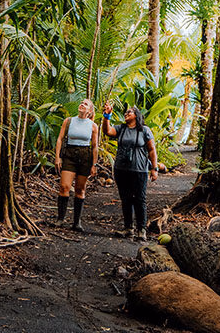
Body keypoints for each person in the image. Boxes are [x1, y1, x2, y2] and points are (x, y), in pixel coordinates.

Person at [102, 101, 158, 241]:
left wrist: (154, 168)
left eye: (130, 112)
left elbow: (152, 150)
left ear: (136, 116)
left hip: (139, 170)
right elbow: (107, 131)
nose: (127, 113)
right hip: (121, 169)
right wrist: (106, 116)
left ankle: (141, 229)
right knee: (126, 199)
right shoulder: (121, 129)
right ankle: (128, 228)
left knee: (140, 199)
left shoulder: (144, 130)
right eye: (126, 112)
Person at [54, 99, 98, 232]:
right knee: (64, 186)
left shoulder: (93, 126)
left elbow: (95, 146)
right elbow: (60, 139)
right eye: (81, 103)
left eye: (85, 104)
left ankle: (76, 222)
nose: (82, 104)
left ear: (89, 111)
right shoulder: (68, 121)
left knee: (80, 189)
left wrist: (94, 164)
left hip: (85, 156)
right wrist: (57, 157)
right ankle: (60, 219)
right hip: (70, 154)